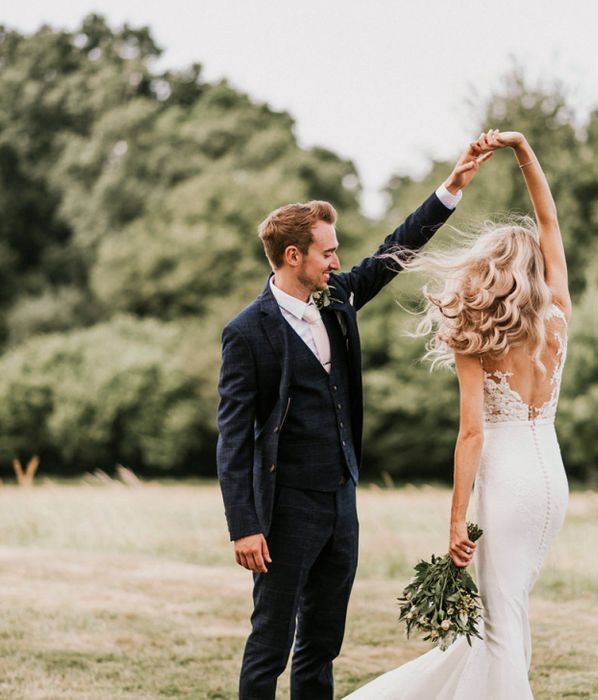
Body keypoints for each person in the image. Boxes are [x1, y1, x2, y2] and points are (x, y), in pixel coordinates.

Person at [215, 134, 494, 700]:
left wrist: (454, 186)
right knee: (270, 643)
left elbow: (394, 252)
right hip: (283, 509)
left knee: (321, 643)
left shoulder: (336, 299)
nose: (338, 261)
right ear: (293, 257)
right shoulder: (246, 333)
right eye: (328, 252)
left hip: (341, 502)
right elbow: (233, 438)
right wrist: (244, 524)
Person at [343, 129, 571, 699]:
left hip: (508, 481)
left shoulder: (479, 338)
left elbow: (472, 435)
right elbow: (550, 223)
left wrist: (454, 524)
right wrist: (523, 151)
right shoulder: (558, 319)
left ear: (491, 271)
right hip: (551, 481)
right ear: (536, 271)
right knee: (511, 610)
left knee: (497, 621)